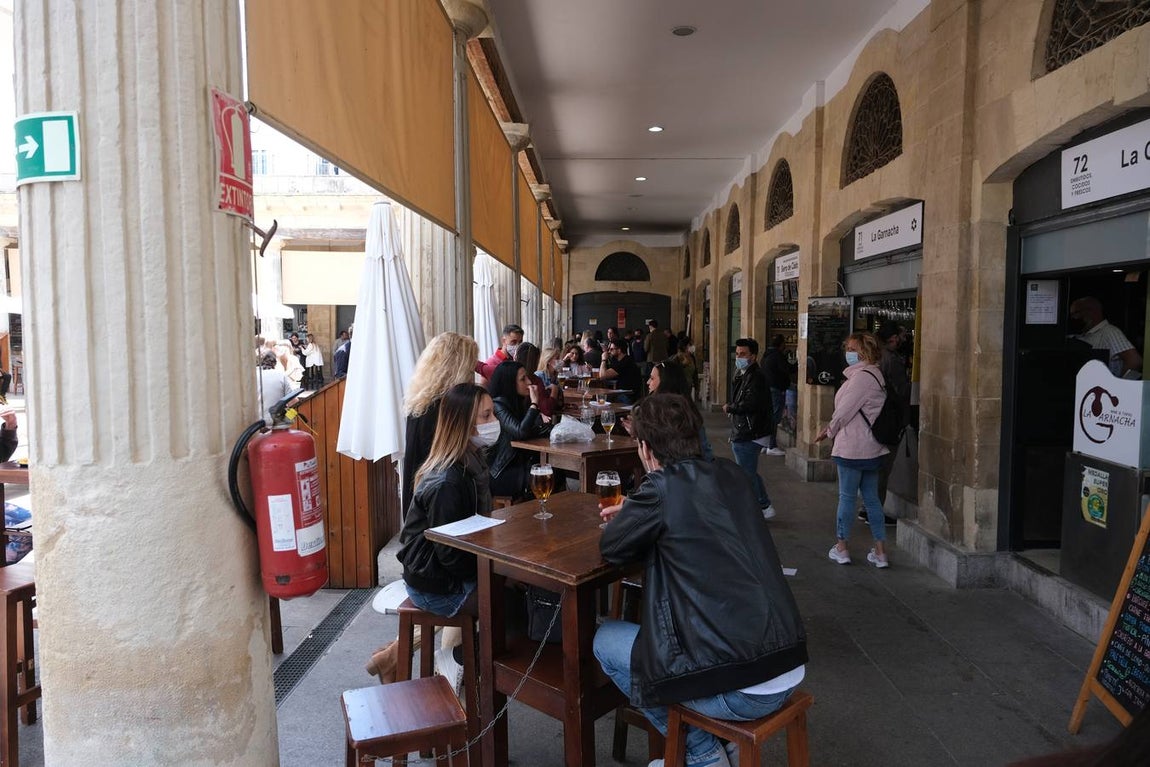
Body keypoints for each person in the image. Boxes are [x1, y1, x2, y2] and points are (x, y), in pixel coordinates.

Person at [595, 393, 807, 767]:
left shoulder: (660, 488)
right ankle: (720, 748)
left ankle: (701, 755)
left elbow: (613, 548)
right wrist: (640, 507)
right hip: (787, 663)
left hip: (740, 687)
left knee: (606, 639)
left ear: (644, 448)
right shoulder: (733, 475)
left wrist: (640, 507)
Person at [391, 383, 499, 690]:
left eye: (493, 414)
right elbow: (450, 555)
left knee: (517, 589)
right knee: (509, 607)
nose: (494, 424)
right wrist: (489, 571)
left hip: (444, 571)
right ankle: (458, 660)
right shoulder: (449, 480)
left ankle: (464, 663)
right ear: (463, 425)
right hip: (435, 584)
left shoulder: (471, 460)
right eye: (486, 416)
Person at [816, 332, 891, 568]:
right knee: (872, 500)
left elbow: (844, 412)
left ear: (863, 352)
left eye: (851, 348)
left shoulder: (861, 378)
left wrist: (828, 431)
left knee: (847, 498)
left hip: (852, 448)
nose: (847, 352)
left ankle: (842, 547)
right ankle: (880, 552)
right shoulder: (876, 374)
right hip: (872, 449)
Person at [400, 332, 481, 522]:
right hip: (437, 506)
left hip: (423, 498)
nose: (473, 374)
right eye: (470, 368)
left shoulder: (423, 402)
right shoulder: (442, 407)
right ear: (457, 367)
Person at [723, 338, 776, 519]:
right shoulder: (744, 374)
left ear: (753, 356)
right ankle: (763, 505)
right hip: (747, 429)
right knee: (749, 472)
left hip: (750, 431)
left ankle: (757, 507)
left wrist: (730, 408)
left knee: (746, 474)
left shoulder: (756, 377)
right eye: (737, 354)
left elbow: (750, 403)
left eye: (743, 354)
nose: (739, 357)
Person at [486, 360, 552, 500]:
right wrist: (534, 404)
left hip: (520, 463)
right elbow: (520, 431)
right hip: (502, 471)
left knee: (554, 473)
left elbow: (532, 429)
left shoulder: (517, 402)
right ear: (510, 383)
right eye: (523, 379)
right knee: (545, 479)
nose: (529, 382)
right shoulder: (498, 405)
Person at [624, 360, 713, 460]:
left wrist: (639, 431)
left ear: (665, 382)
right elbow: (707, 454)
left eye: (652, 378)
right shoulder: (690, 411)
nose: (648, 382)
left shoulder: (657, 413)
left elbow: (658, 454)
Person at [1069, 296, 1143, 378]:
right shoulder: (1080, 335)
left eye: (1076, 313)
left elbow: (1134, 361)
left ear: (1092, 311)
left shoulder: (1109, 332)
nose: (1073, 318)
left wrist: (1119, 385)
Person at [760, 334, 791, 456]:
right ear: (781, 344)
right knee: (775, 417)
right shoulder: (778, 356)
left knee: (769, 416)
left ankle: (765, 443)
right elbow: (787, 369)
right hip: (776, 389)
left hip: (768, 388)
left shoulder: (766, 355)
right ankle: (771, 445)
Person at [515, 342, 561, 417]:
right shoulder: (537, 377)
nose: (528, 382)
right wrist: (554, 391)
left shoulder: (552, 375)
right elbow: (547, 409)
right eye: (557, 358)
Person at [599, 338, 643, 403]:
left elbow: (603, 376)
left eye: (611, 349)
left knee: (602, 399)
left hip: (628, 395)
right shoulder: (621, 360)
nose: (609, 351)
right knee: (603, 398)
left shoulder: (625, 362)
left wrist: (604, 360)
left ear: (619, 350)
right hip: (624, 393)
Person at [256, 351, 290, 425]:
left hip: (253, 425)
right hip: (276, 424)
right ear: (275, 362)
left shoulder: (251, 376)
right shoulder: (281, 375)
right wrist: (289, 418)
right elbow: (294, 402)